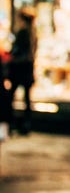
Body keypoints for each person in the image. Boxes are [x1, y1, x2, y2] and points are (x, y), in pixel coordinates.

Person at [6, 8, 36, 136]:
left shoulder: (23, 32)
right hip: (27, 68)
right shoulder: (33, 33)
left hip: (20, 68)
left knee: (12, 96)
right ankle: (26, 124)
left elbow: (17, 51)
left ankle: (12, 123)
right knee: (26, 98)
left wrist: (11, 56)